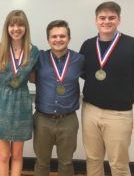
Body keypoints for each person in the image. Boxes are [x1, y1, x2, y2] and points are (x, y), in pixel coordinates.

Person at [79, 1, 134, 176]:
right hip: (90, 111)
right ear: (96, 21)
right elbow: (83, 74)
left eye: (111, 18)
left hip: (118, 115)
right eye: (102, 18)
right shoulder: (87, 45)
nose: (106, 21)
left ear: (119, 20)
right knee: (93, 160)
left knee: (118, 164)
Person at [0, 10, 39, 176]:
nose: (16, 28)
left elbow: (34, 76)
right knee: (4, 155)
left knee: (17, 154)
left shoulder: (34, 51)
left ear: (26, 28)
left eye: (20, 24)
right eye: (12, 24)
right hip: (0, 103)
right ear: (7, 27)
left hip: (21, 103)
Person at [32, 20, 84, 176]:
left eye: (62, 36)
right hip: (43, 119)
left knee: (66, 163)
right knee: (41, 163)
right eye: (54, 36)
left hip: (68, 120)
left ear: (69, 38)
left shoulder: (79, 59)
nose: (58, 39)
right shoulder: (39, 57)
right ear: (48, 39)